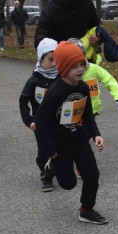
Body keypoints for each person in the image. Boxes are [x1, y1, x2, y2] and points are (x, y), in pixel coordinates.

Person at [33, 41, 107, 224]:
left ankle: (86, 210)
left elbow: (88, 114)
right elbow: (40, 122)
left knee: (92, 175)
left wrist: (96, 134)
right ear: (64, 68)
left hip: (80, 140)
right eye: (74, 66)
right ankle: (50, 166)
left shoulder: (83, 88)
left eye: (82, 64)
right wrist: (50, 150)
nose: (80, 69)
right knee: (68, 184)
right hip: (60, 146)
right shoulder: (55, 92)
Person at [19, 38, 60, 192]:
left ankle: (53, 172)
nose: (55, 64)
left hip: (59, 122)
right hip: (40, 124)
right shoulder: (34, 79)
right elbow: (23, 101)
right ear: (41, 58)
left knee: (59, 150)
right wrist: (29, 120)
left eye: (57, 59)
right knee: (44, 152)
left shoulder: (61, 77)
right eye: (50, 60)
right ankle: (46, 174)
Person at [34, 0, 101, 50]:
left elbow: (96, 28)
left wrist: (97, 38)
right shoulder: (50, 9)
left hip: (84, 57)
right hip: (60, 58)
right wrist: (52, 51)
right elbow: (40, 39)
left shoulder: (87, 4)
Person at [68, 39, 118, 118]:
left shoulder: (94, 69)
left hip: (92, 111)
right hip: (72, 112)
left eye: (80, 55)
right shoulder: (65, 73)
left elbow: (109, 80)